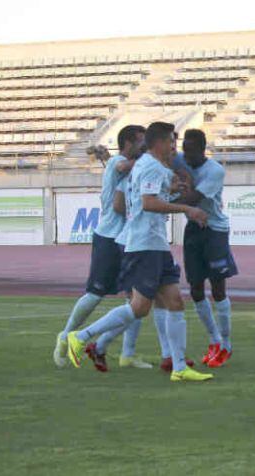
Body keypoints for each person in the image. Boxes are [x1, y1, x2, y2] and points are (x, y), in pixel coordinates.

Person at [65, 121, 213, 383]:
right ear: (159, 143)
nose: (173, 147)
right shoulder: (151, 166)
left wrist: (171, 189)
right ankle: (82, 337)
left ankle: (178, 367)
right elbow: (148, 203)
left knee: (175, 302)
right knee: (140, 307)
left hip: (154, 244)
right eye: (170, 142)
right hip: (144, 245)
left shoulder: (147, 165)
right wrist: (188, 209)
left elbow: (145, 194)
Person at [53, 125, 147, 369]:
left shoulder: (125, 162)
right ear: (128, 143)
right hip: (109, 236)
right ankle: (66, 335)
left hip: (128, 237)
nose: (145, 145)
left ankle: (128, 353)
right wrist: (150, 158)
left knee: (136, 297)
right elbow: (122, 168)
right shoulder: (120, 161)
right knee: (96, 293)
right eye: (141, 141)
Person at [175, 129, 238, 368]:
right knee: (195, 289)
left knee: (218, 288)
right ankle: (214, 340)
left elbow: (192, 200)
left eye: (191, 150)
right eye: (184, 150)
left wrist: (161, 203)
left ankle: (227, 344)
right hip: (193, 228)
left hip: (214, 230)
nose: (186, 156)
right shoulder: (182, 159)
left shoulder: (215, 171)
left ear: (202, 149)